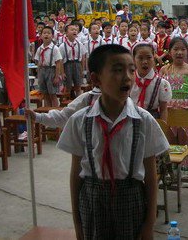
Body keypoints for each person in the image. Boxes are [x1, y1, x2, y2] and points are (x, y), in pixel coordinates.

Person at [57, 44, 169, 239]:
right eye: (117, 70)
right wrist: (77, 222)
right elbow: (76, 174)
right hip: (92, 199)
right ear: (96, 78)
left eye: (131, 70)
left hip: (130, 197)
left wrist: (149, 224)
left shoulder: (143, 121)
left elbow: (151, 176)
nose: (127, 77)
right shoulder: (80, 120)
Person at [130, 43, 172, 120]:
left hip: (152, 121)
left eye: (149, 57)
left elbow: (163, 110)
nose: (145, 62)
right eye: (140, 58)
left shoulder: (161, 83)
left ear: (154, 58)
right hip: (131, 118)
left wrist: (162, 129)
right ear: (133, 59)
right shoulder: (129, 81)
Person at [34, 26, 63, 107]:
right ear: (41, 35)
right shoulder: (40, 48)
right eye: (44, 33)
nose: (46, 35)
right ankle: (47, 111)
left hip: (51, 71)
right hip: (42, 70)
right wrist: (38, 69)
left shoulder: (55, 48)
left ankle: (55, 112)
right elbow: (37, 60)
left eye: (49, 33)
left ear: (52, 36)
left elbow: (58, 63)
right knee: (45, 94)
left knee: (52, 94)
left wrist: (57, 76)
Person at [59, 24, 87, 98]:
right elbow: (60, 60)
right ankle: (66, 103)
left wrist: (82, 70)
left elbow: (83, 58)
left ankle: (79, 103)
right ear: (66, 33)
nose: (74, 31)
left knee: (78, 86)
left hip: (77, 65)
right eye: (72, 30)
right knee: (68, 87)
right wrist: (62, 72)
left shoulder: (80, 44)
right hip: (67, 65)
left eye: (75, 30)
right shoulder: (62, 46)